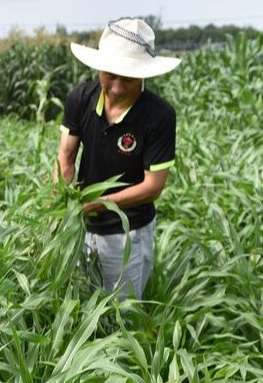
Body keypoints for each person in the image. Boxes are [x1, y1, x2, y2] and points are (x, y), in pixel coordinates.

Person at [55, 17, 180, 300]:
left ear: (144, 74)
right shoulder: (81, 99)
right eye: (111, 75)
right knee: (79, 306)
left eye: (128, 77)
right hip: (80, 229)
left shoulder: (159, 116)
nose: (118, 87)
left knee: (120, 316)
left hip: (127, 235)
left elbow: (153, 186)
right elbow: (66, 155)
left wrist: (98, 205)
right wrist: (61, 200)